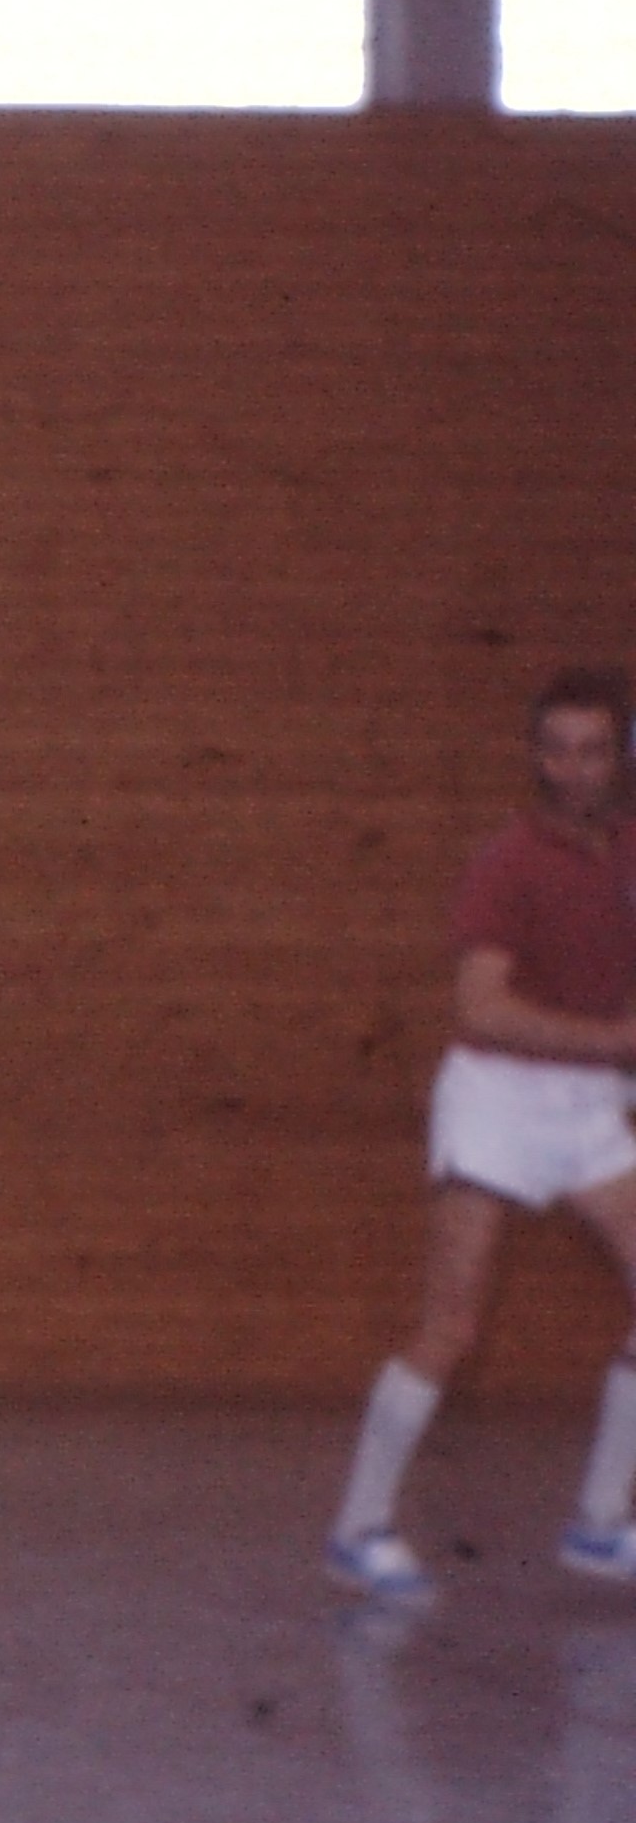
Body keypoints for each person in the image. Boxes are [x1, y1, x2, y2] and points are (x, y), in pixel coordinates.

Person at [327, 663, 636, 1599]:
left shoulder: (625, 852)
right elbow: (482, 1007)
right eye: (558, 751)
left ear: (619, 755)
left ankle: (600, 1524)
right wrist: (616, 1040)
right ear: (536, 758)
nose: (575, 769)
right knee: (452, 1324)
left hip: (588, 1104)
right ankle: (359, 1528)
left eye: (594, 751)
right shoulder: (508, 864)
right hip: (496, 1099)